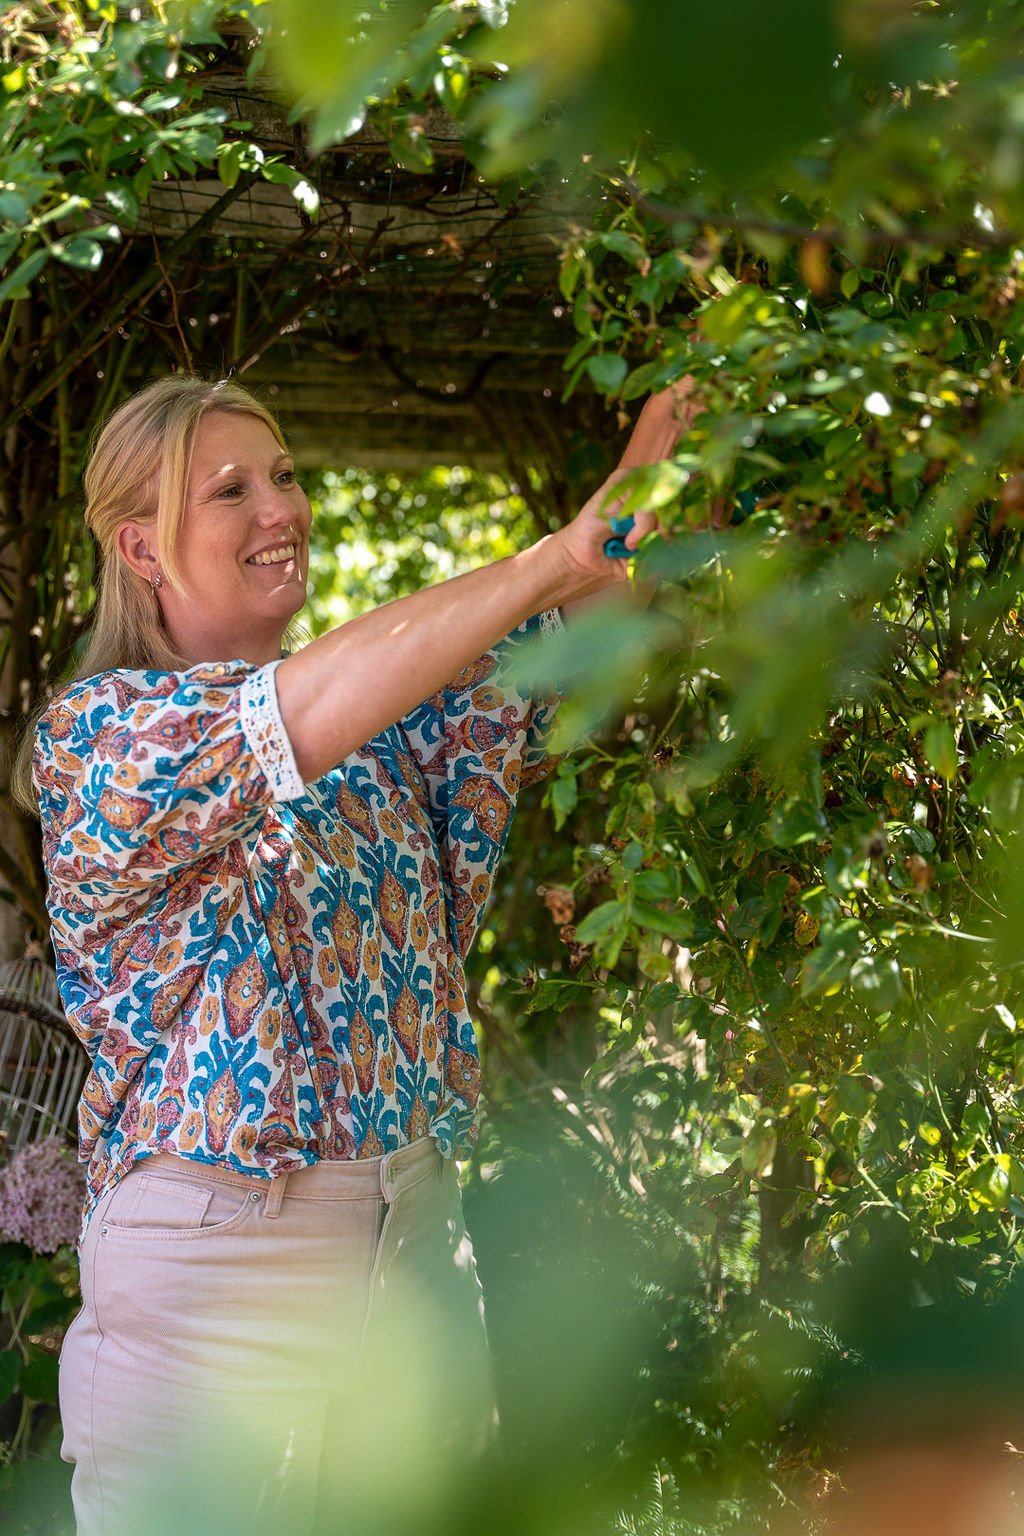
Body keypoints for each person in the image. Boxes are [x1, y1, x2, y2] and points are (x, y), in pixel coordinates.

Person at [16, 373, 692, 1535]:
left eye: (282, 475)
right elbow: (293, 716)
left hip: (415, 1236)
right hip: (219, 1274)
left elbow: (568, 641)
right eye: (229, 490)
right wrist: (547, 559)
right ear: (141, 546)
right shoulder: (103, 736)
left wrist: (652, 475)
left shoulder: (376, 721)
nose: (279, 508)